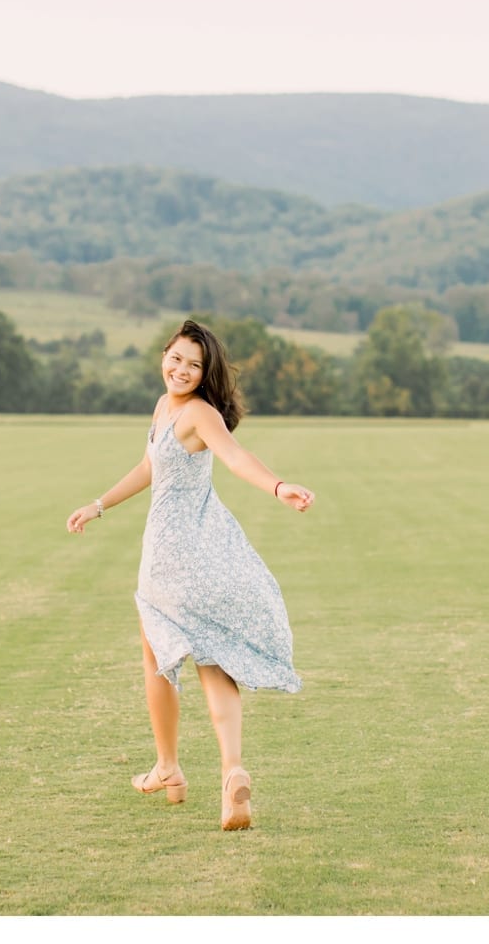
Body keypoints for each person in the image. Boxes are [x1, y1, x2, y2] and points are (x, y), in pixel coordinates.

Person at [67, 319, 314, 831]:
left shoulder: (200, 413)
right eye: (175, 358)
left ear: (206, 375)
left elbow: (235, 457)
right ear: (165, 355)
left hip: (170, 554)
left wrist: (279, 486)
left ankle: (168, 769)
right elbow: (148, 468)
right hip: (207, 549)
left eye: (193, 365)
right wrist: (98, 504)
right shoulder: (166, 408)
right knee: (213, 659)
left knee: (157, 657)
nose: (180, 369)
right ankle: (231, 772)